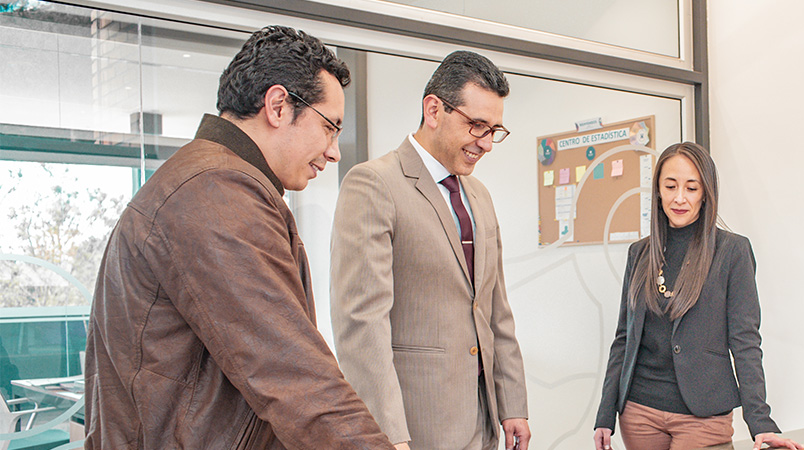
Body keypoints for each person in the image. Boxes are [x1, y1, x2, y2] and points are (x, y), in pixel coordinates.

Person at [83, 25, 394, 449]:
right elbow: (292, 373)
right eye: (330, 127)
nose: (334, 150)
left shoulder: (215, 181)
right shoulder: (214, 191)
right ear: (279, 105)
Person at [330, 50, 529, 450]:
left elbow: (494, 309)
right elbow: (361, 325)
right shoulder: (373, 184)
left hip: (482, 420)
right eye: (476, 126)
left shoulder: (479, 195)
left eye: (494, 130)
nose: (487, 144)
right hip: (416, 425)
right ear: (434, 109)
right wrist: (388, 434)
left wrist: (513, 405)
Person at [593, 143, 802, 450]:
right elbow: (624, 339)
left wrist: (760, 422)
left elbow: (745, 341)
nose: (679, 198)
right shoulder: (639, 253)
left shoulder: (732, 251)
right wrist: (605, 414)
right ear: (658, 191)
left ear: (706, 193)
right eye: (670, 186)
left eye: (691, 188)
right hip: (639, 412)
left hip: (703, 416)